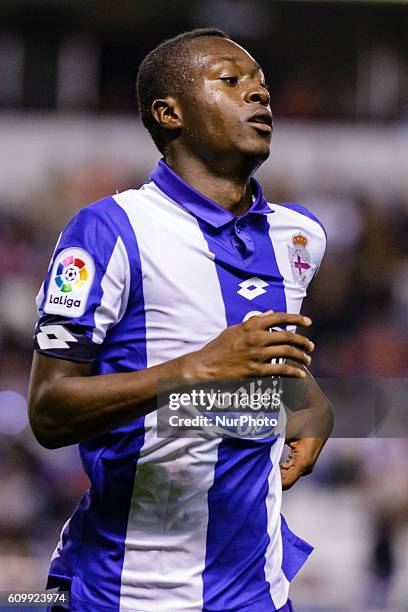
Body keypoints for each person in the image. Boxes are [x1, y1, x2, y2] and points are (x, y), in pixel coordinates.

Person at [28, 28, 332, 612]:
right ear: (170, 113)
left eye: (263, 85)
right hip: (122, 591)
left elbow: (257, 353)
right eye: (231, 80)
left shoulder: (300, 236)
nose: (259, 95)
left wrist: (311, 402)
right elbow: (48, 411)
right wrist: (195, 369)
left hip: (258, 593)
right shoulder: (108, 231)